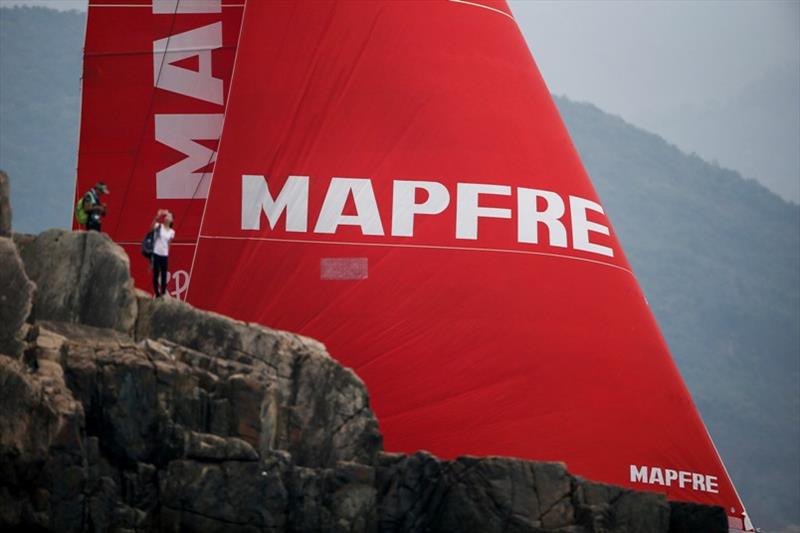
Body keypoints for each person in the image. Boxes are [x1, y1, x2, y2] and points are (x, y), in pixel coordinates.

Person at [151, 209, 175, 297]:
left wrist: (167, 252)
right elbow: (151, 227)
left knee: (164, 274)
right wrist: (158, 216)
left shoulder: (172, 232)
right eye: (167, 216)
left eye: (170, 216)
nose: (167, 217)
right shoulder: (159, 226)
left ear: (172, 220)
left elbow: (169, 244)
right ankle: (157, 293)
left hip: (164, 255)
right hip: (156, 253)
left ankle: (163, 293)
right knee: (156, 274)